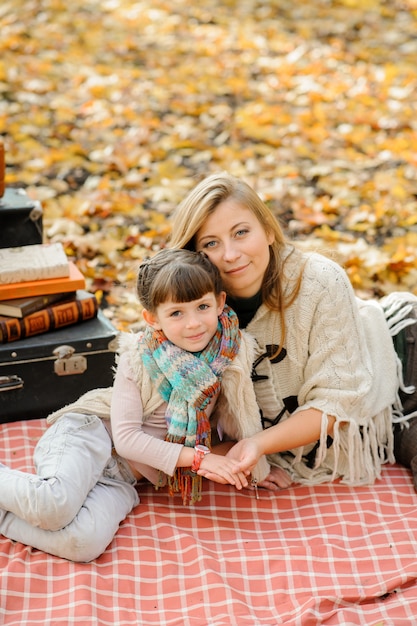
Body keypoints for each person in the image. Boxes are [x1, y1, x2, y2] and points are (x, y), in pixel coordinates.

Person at [0, 248, 269, 562]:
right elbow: (126, 440)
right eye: (176, 313)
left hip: (125, 477)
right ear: (152, 318)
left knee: (84, 543)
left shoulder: (228, 357)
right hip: (90, 436)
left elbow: (231, 430)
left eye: (203, 307)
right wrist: (197, 460)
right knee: (54, 506)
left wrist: (253, 462)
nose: (194, 323)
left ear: (221, 302)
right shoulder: (139, 357)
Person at [169, 172, 417, 490]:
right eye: (211, 243)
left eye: (241, 232)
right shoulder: (187, 313)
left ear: (269, 231)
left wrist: (261, 445)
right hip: (366, 416)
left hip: (402, 361)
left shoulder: (319, 279)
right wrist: (242, 454)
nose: (230, 254)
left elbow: (339, 399)